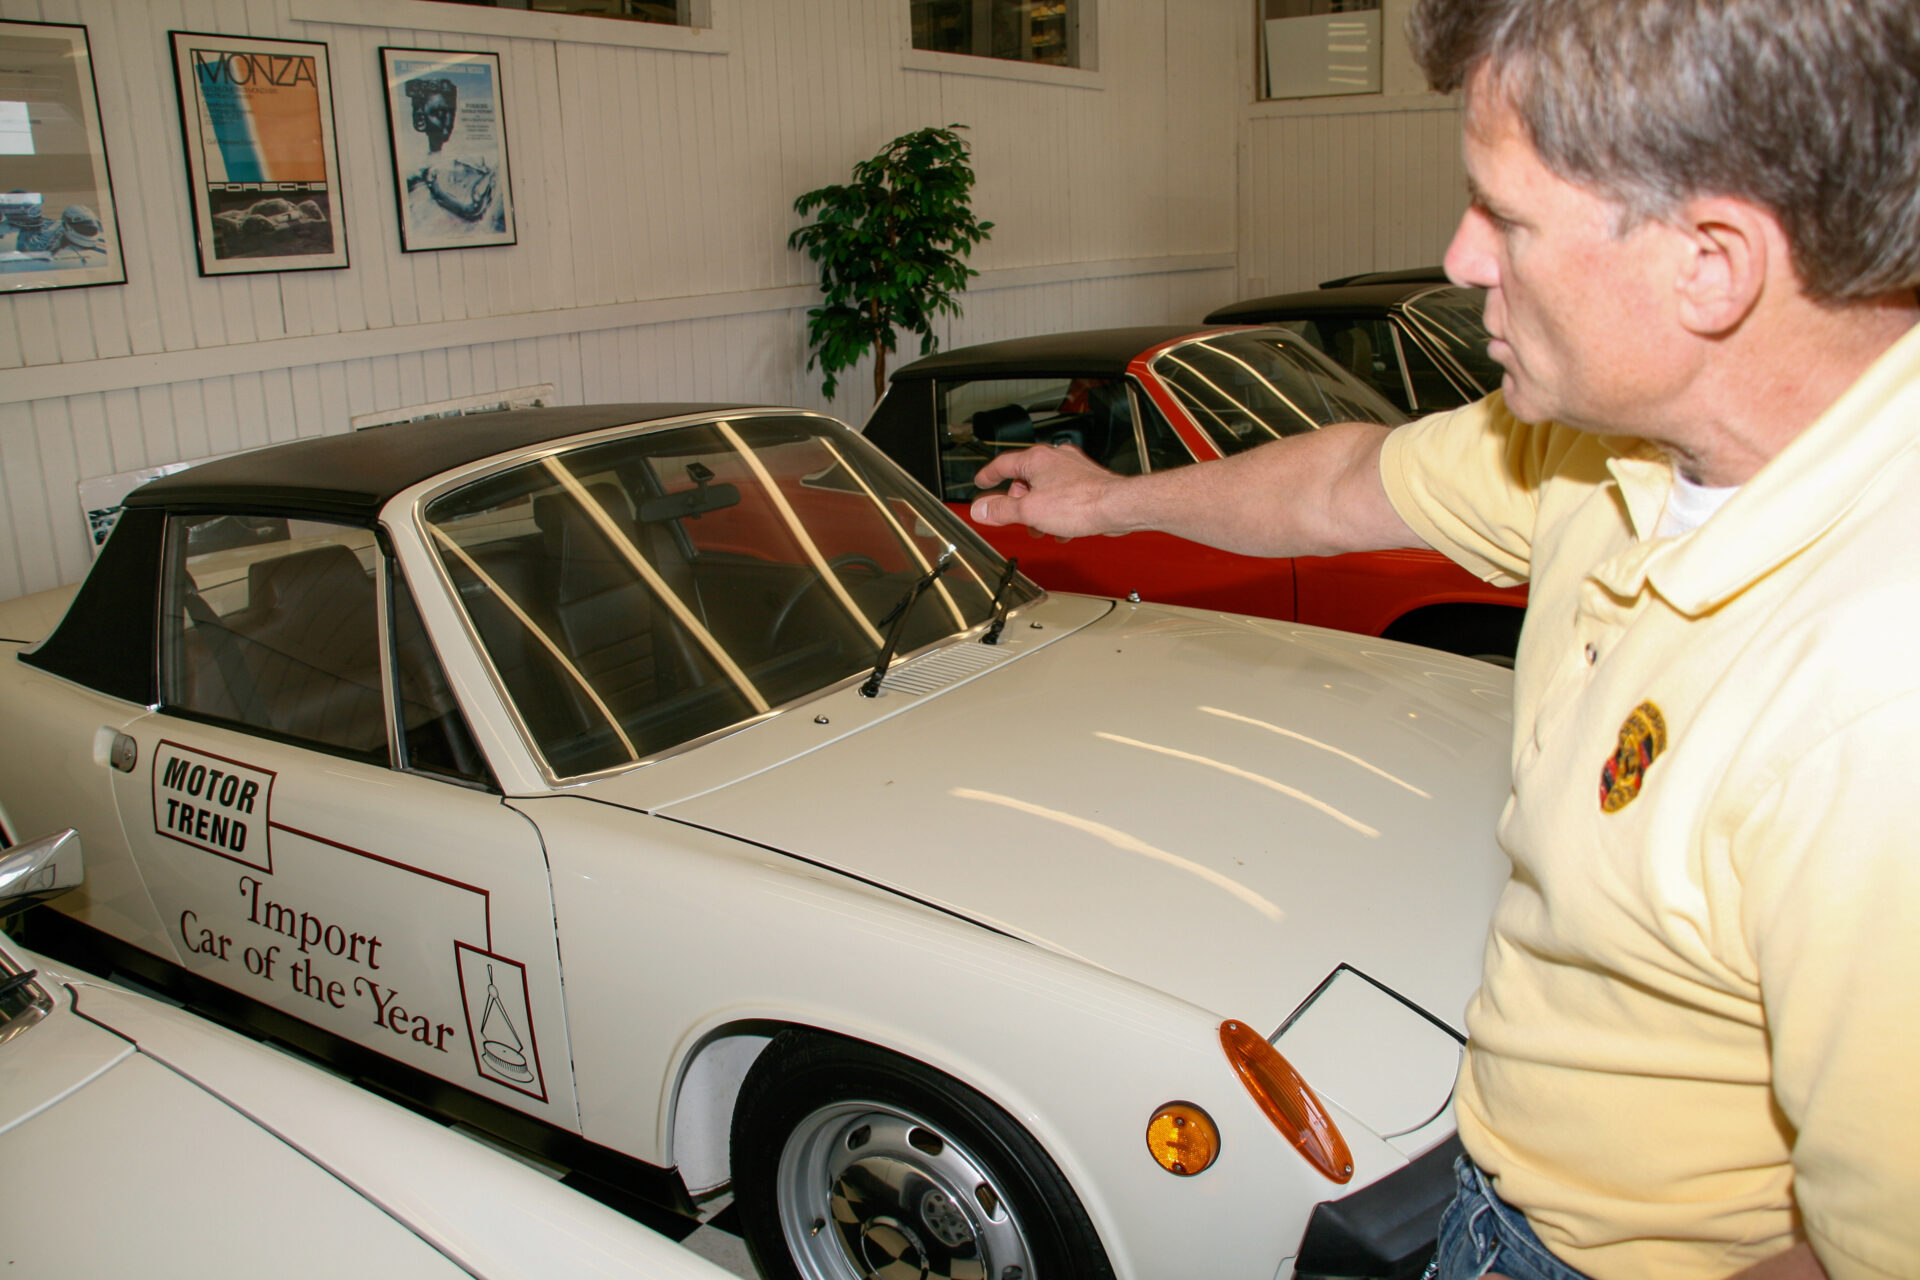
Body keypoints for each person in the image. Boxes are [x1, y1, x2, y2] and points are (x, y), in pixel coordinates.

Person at [971, 2, 1920, 1277]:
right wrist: (1102, 499)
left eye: (1509, 217)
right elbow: (1346, 481)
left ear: (1712, 263)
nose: (1461, 256)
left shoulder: (1872, 699)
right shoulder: (1608, 449)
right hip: (1495, 1184)